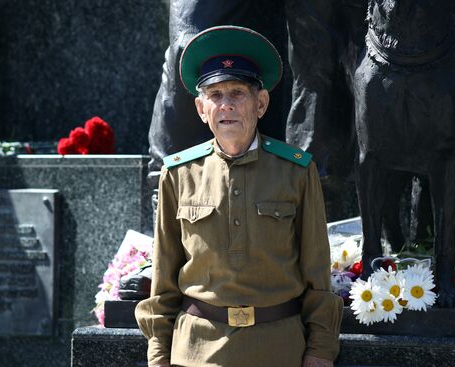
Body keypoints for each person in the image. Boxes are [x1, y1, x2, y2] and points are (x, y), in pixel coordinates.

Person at [135, 25, 343, 367]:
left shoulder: (296, 171)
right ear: (202, 109)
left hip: (279, 349)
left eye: (237, 93)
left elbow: (317, 274)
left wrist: (320, 351)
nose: (226, 105)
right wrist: (158, 354)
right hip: (197, 351)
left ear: (260, 104)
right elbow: (164, 279)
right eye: (215, 95)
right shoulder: (178, 174)